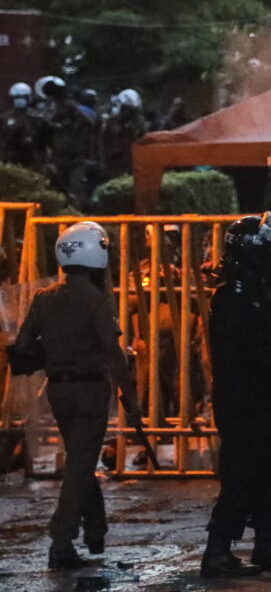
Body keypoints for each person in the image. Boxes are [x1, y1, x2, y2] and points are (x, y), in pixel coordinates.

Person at [12, 221, 141, 569]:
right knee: (81, 462)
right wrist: (130, 398)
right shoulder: (96, 300)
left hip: (58, 390)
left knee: (81, 459)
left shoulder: (44, 298)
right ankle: (62, 540)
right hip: (89, 390)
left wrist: (55, 349)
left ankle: (96, 529)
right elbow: (113, 355)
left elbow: (23, 347)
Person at [201, 213, 271, 578]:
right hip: (241, 399)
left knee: (268, 472)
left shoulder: (257, 291)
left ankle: (265, 545)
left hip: (262, 395)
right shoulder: (233, 296)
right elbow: (244, 352)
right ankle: (217, 550)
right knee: (242, 474)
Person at [99, 88, 147, 179]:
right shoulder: (110, 123)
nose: (128, 112)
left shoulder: (139, 124)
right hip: (114, 163)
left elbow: (144, 140)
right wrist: (103, 162)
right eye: (126, 109)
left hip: (133, 164)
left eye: (131, 110)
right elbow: (102, 142)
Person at [1, 82, 43, 167]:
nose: (19, 100)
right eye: (16, 97)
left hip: (31, 159)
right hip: (10, 158)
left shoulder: (37, 117)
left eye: (23, 97)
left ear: (29, 98)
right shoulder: (5, 117)